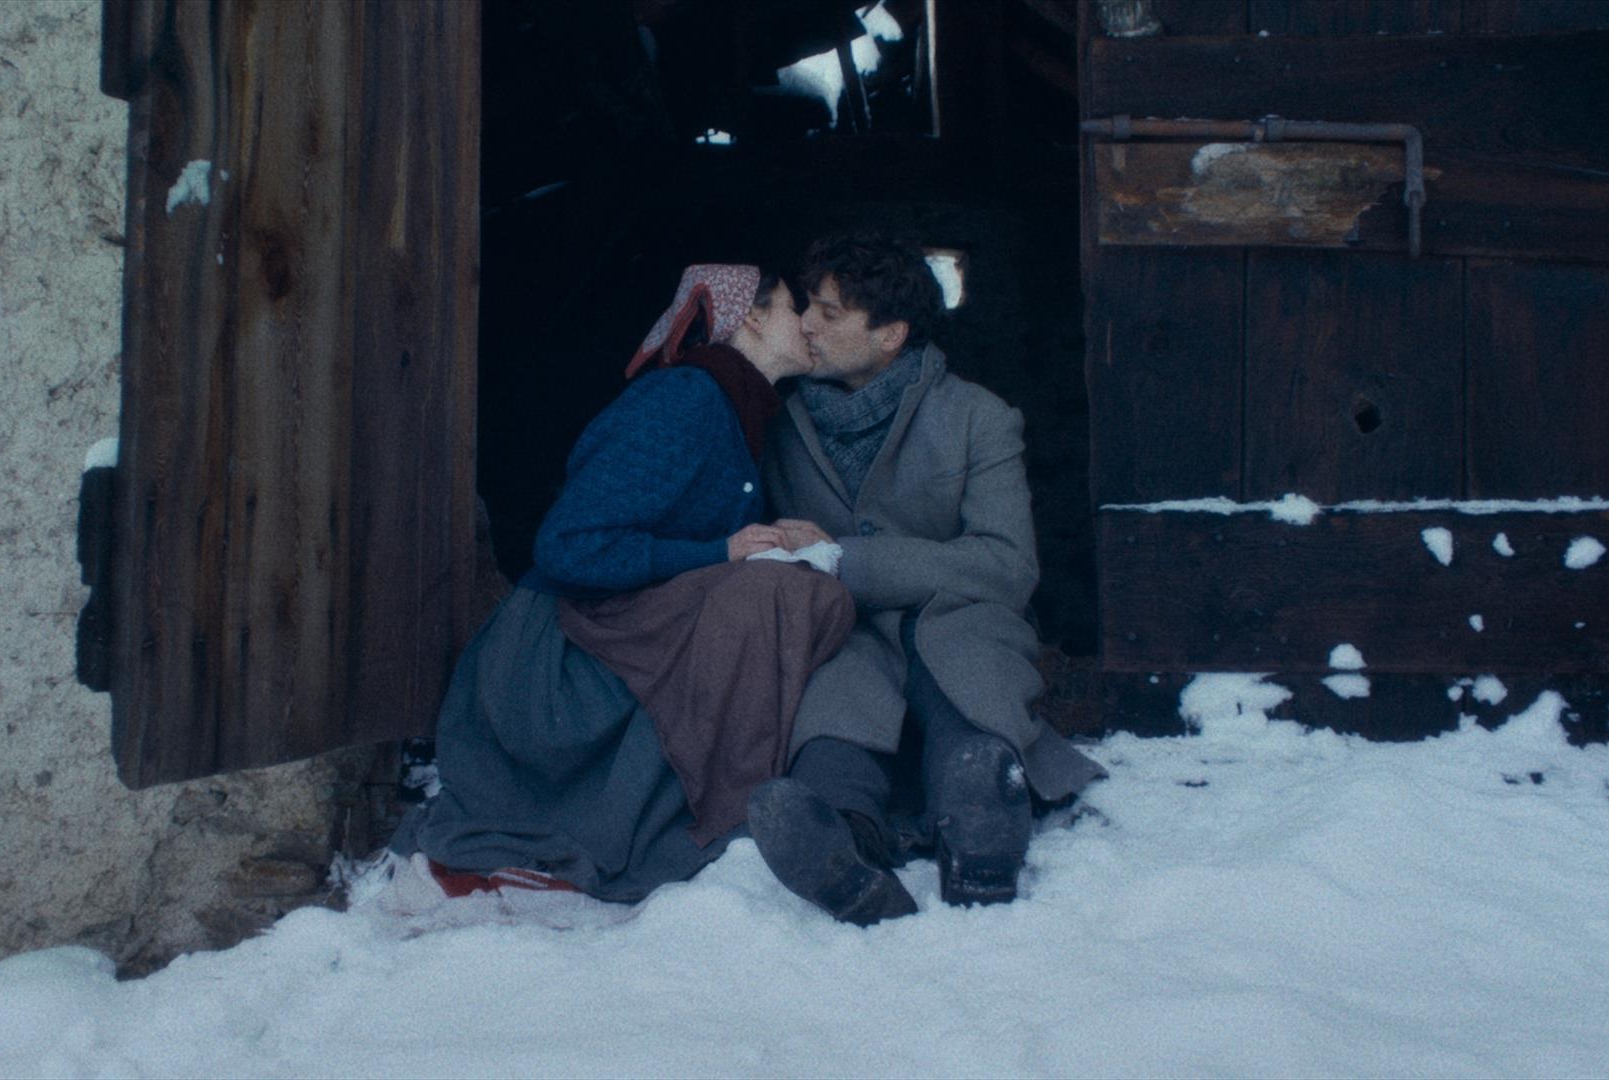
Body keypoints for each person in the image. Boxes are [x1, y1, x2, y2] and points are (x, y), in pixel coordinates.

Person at [393, 264, 854, 902]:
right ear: (749, 316)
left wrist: (775, 538)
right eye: (793, 306)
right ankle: (723, 807)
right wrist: (720, 550)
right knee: (772, 593)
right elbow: (568, 546)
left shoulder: (737, 409)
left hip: (628, 626)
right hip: (559, 652)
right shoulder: (684, 400)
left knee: (802, 589)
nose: (809, 322)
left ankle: (765, 797)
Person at [750, 229, 1106, 925]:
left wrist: (845, 559)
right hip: (845, 625)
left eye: (827, 312)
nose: (806, 325)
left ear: (889, 334)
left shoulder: (979, 418)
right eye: (808, 308)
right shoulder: (778, 420)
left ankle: (979, 822)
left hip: (960, 617)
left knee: (968, 696)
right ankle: (841, 847)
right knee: (832, 694)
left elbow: (1008, 565)